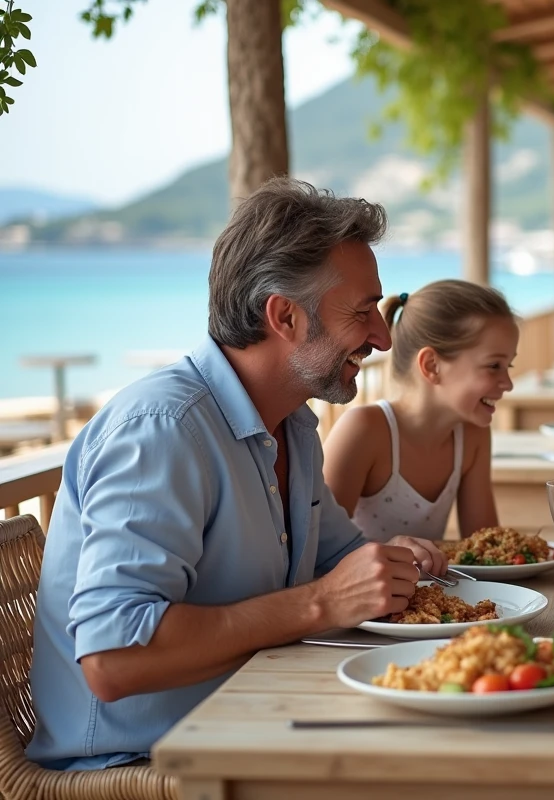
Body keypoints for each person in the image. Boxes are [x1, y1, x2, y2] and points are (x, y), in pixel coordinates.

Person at [27, 178, 425, 771]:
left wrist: (393, 561)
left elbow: (340, 568)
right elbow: (114, 659)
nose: (383, 336)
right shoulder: (162, 431)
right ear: (284, 316)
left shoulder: (292, 427)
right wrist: (318, 604)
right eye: (363, 311)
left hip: (256, 724)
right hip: (144, 766)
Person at [323, 280, 518, 546]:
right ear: (432, 365)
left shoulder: (473, 435)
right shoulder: (364, 430)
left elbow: (485, 546)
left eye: (509, 365)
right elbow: (320, 549)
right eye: (494, 365)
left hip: (428, 588)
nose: (508, 383)